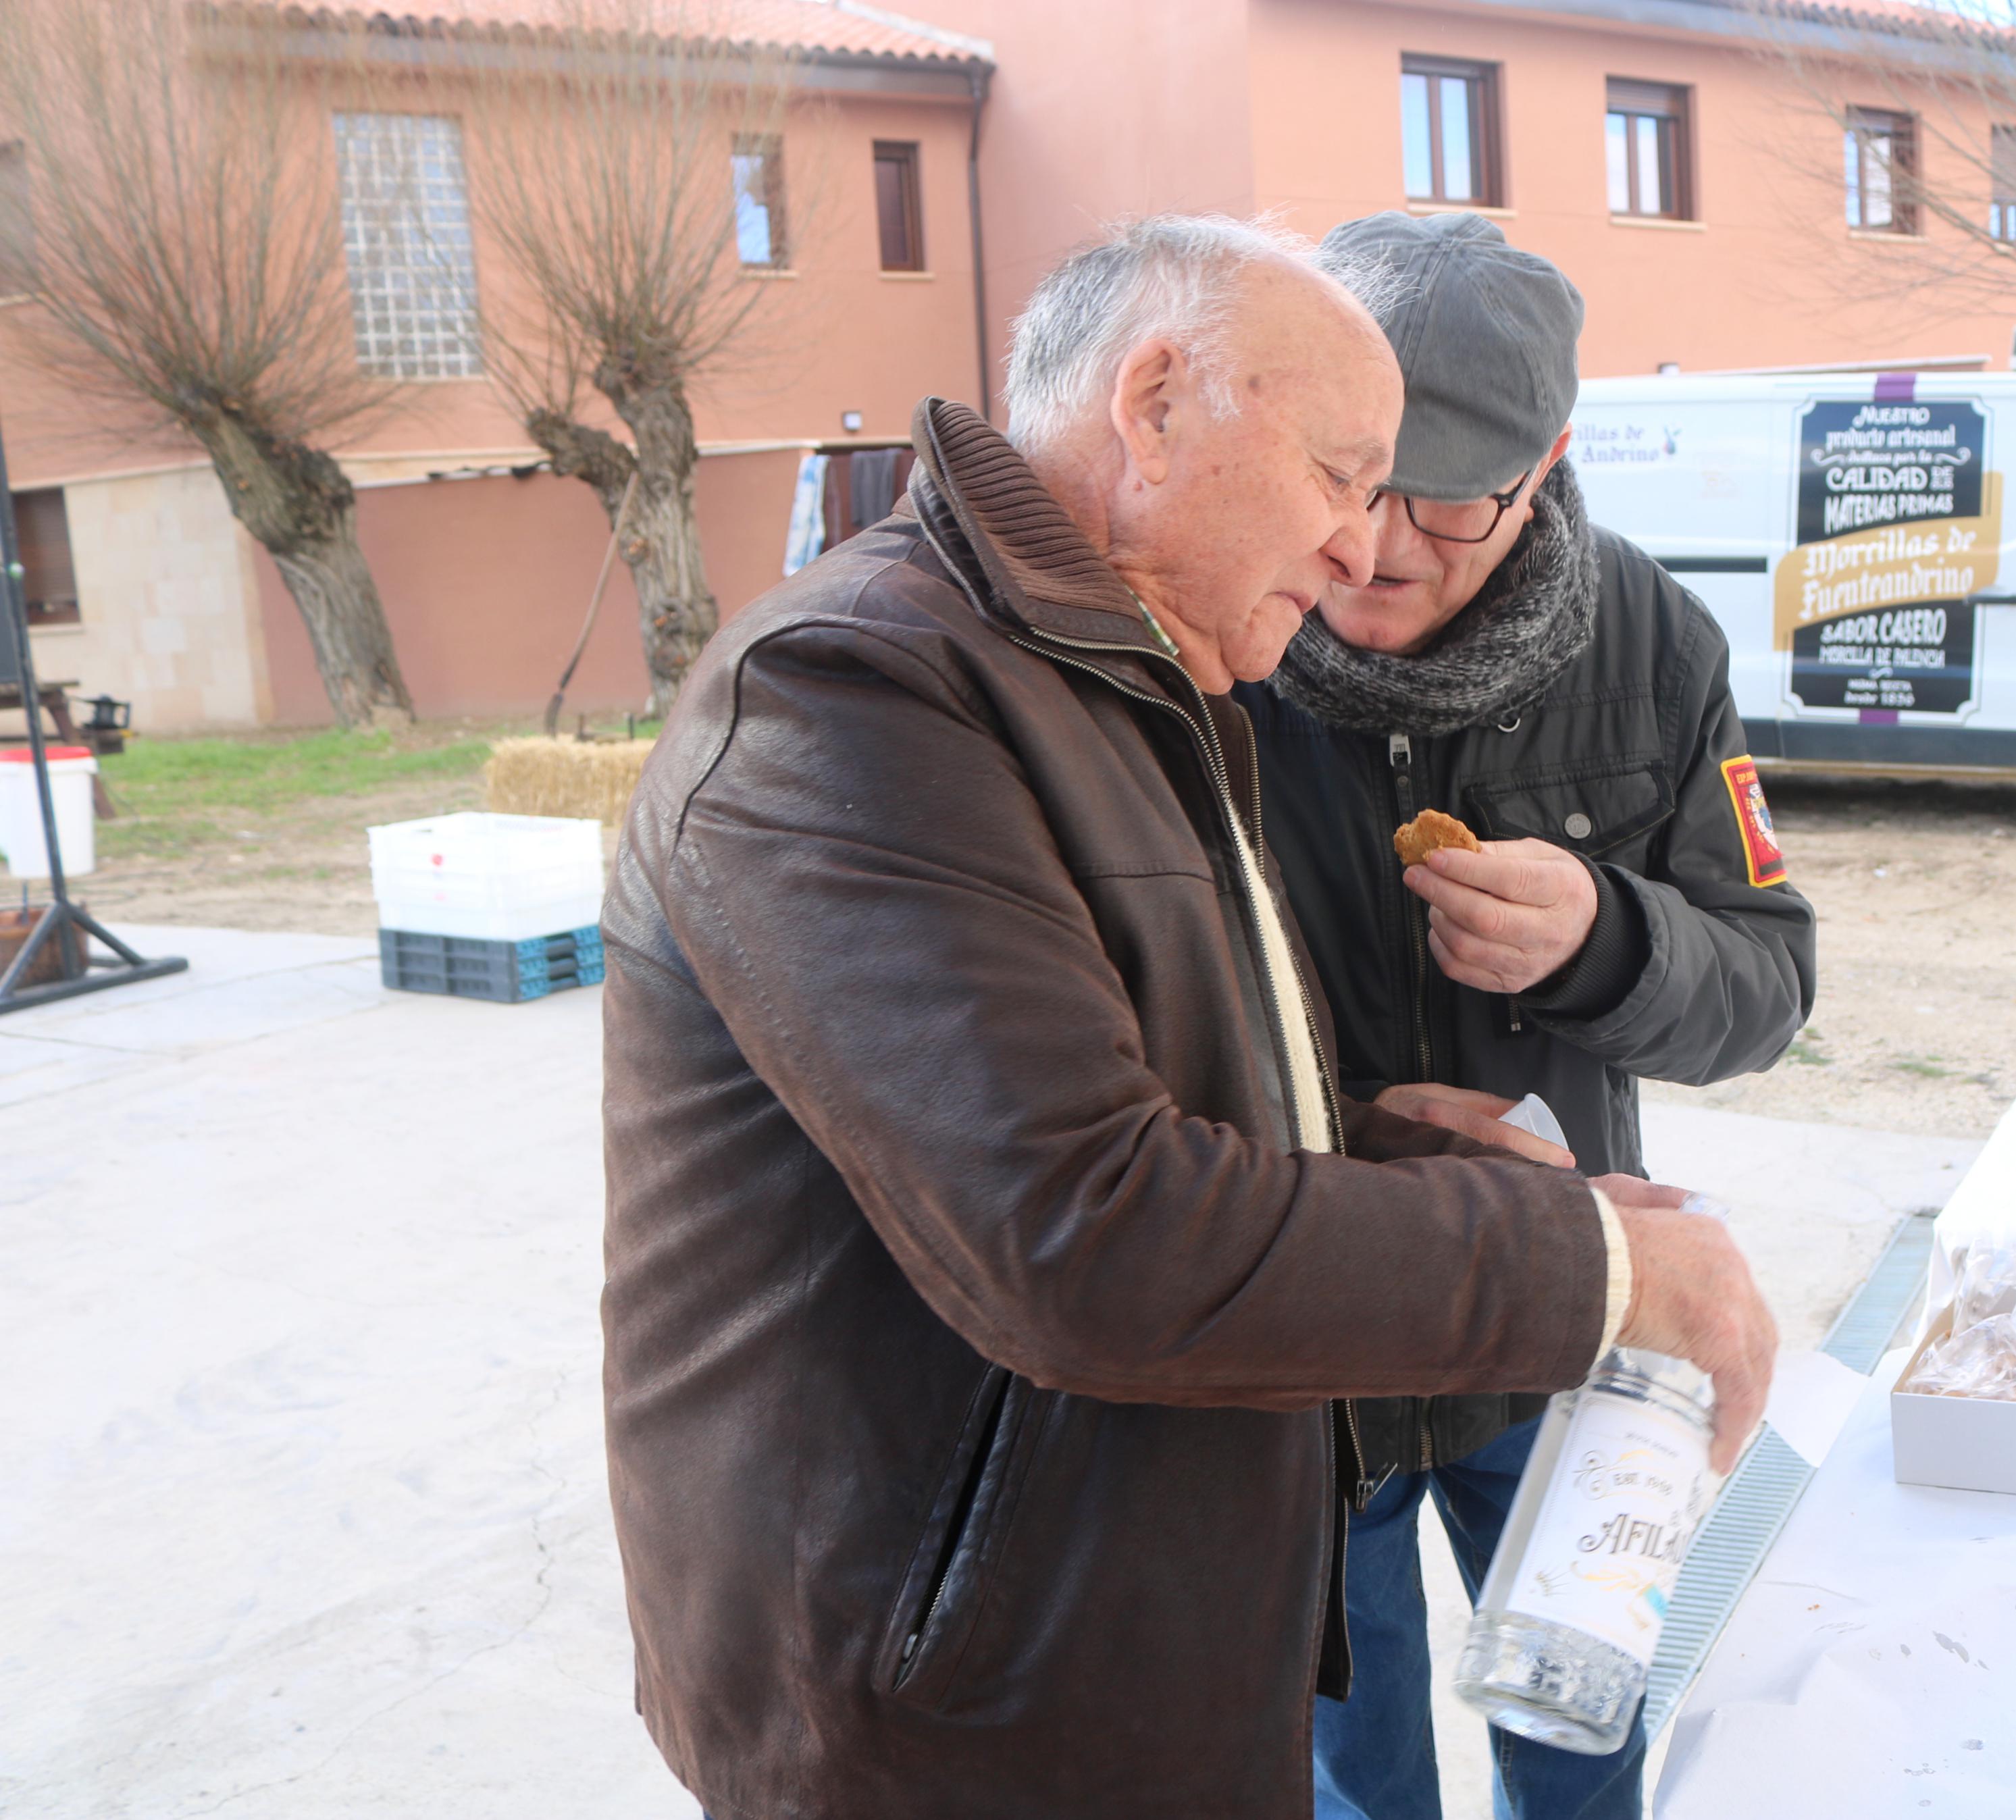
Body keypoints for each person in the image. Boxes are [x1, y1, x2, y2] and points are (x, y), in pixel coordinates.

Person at [596, 215, 1778, 1819]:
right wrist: (1611, 1267)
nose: (1366, 550)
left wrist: (1415, 1147)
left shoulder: (1119, 667)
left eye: (1413, 496)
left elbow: (1133, 1073)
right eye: (1344, 475)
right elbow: (1084, 1229)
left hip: (1116, 1607)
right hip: (956, 1706)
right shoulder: (850, 693)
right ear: (1154, 404)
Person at [1235, 211, 1819, 1820]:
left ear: (1552, 459)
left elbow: (1771, 983)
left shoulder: (1653, 641)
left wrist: (1609, 940)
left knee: (1580, 1747)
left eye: (1452, 500)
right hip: (1301, 1352)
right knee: (1345, 1776)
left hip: (1560, 1345)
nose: (1379, 547)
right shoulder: (1210, 635)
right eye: (1351, 482)